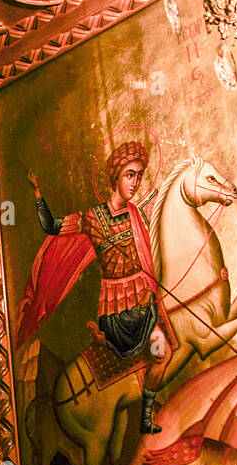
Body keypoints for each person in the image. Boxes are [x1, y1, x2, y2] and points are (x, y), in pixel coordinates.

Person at [24, 140, 172, 433]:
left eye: (140, 175)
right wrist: (38, 194)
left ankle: (145, 416)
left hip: (142, 303)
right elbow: (51, 226)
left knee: (163, 354)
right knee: (130, 350)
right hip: (116, 310)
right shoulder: (91, 218)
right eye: (130, 175)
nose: (136, 182)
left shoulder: (136, 215)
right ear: (115, 178)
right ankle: (104, 337)